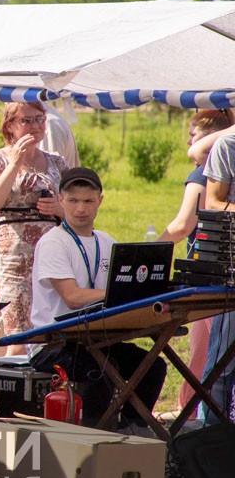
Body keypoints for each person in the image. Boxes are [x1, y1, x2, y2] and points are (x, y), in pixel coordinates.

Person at [28, 167, 166, 428]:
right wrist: (123, 295)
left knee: (152, 367)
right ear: (60, 200)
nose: (81, 208)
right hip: (54, 344)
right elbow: (72, 297)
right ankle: (92, 441)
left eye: (88, 201)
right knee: (101, 370)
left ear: (100, 200)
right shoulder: (53, 242)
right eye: (73, 200)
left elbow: (121, 289)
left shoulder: (107, 241)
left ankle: (132, 433)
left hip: (96, 339)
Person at [0, 102, 68, 356]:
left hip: (54, 253)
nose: (36, 126)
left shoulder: (57, 162)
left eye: (40, 119)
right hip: (16, 257)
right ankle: (14, 389)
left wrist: (60, 210)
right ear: (10, 126)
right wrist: (15, 163)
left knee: (53, 325)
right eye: (27, 120)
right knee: (17, 329)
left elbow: (81, 207)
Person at [158, 110, 231, 418]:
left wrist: (145, 253)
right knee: (210, 354)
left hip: (207, 267)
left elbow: (181, 225)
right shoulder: (210, 167)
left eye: (195, 133)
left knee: (206, 353)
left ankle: (193, 414)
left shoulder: (202, 171)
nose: (189, 141)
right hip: (216, 266)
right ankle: (195, 415)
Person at [200, 131, 235, 422]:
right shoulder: (228, 145)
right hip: (231, 273)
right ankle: (209, 443)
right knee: (223, 366)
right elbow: (212, 202)